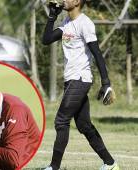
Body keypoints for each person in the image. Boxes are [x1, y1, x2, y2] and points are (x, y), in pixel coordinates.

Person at [42, 0, 118, 170]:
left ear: (77, 2)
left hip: (81, 79)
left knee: (61, 121)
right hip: (71, 79)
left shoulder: (85, 24)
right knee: (84, 125)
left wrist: (106, 82)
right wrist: (52, 16)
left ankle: (54, 167)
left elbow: (97, 53)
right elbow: (46, 40)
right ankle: (110, 163)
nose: (64, 0)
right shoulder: (67, 23)